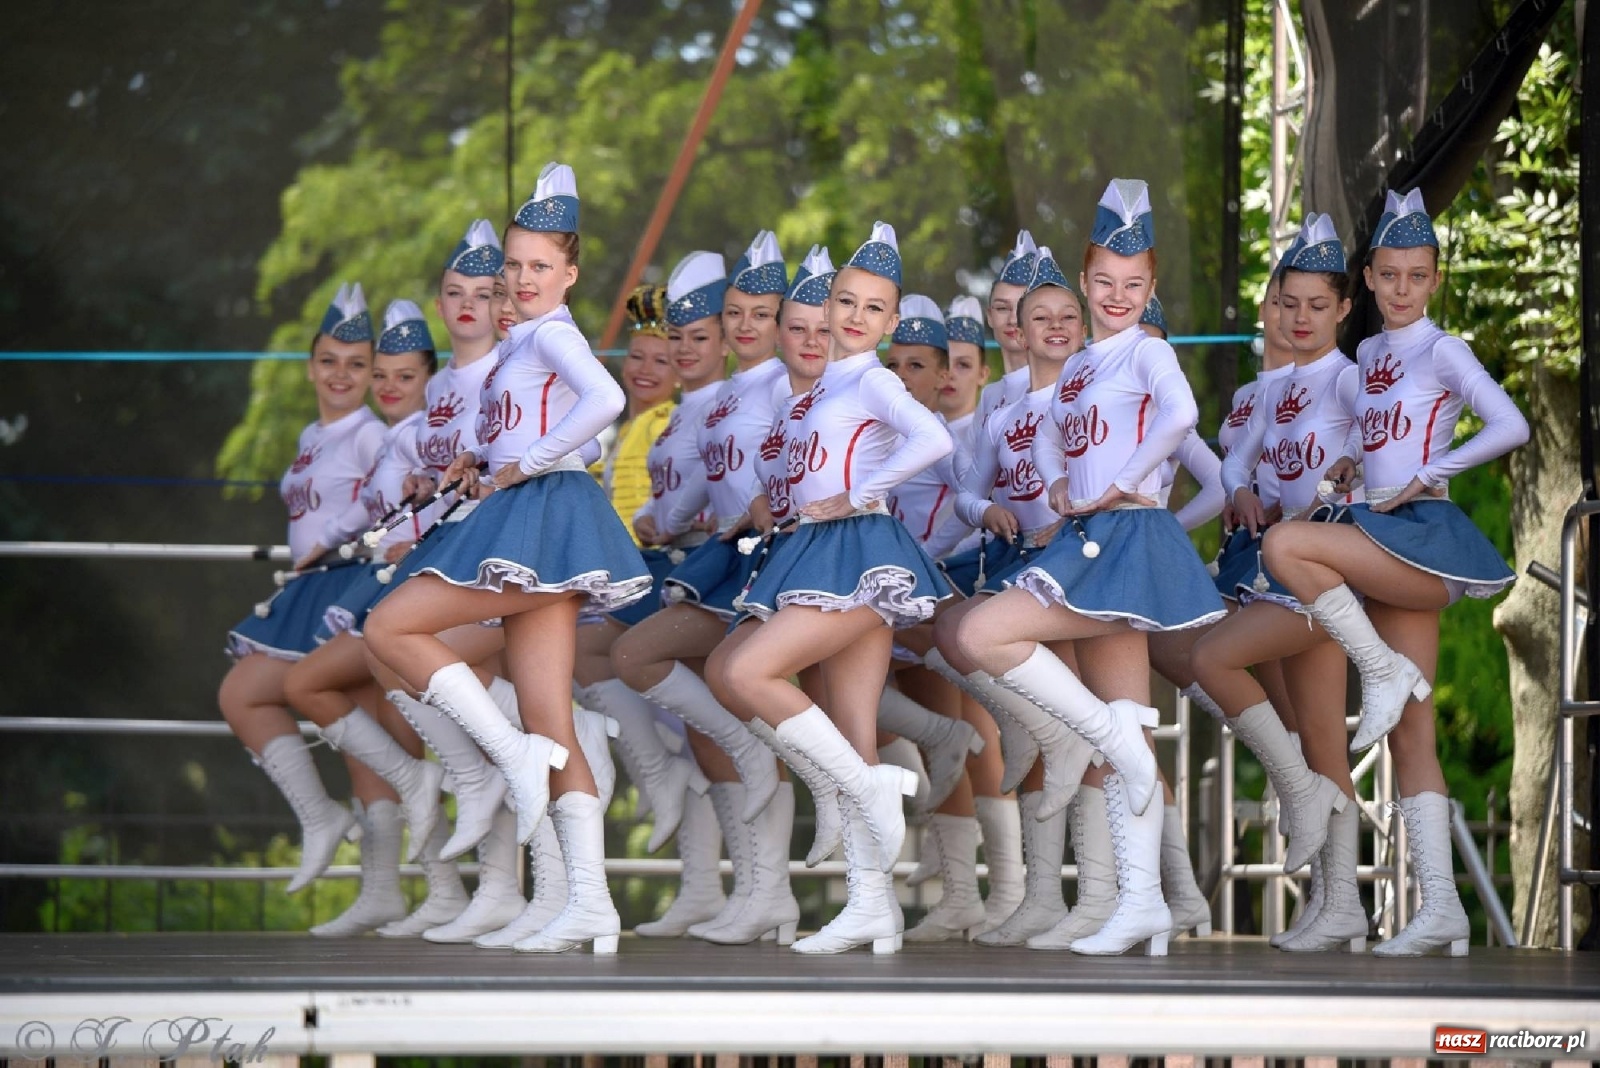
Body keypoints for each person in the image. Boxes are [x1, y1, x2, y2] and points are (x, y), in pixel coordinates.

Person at [364, 162, 651, 955]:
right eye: (513, 267)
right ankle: (583, 902)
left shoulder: (554, 332)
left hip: (543, 514)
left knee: (392, 628)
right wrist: (481, 463)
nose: (521, 280)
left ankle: (510, 761)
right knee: (549, 715)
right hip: (533, 515)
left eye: (538, 267)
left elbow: (606, 403)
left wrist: (527, 465)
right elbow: (534, 426)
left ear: (569, 274)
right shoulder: (523, 340)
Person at [956, 180, 1226, 957]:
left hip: (1128, 533)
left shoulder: (1149, 348)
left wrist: (1125, 481)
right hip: (1091, 534)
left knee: (984, 633)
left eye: (1133, 284)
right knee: (1129, 721)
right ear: (1084, 281)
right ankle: (1138, 899)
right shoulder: (1075, 370)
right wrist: (1057, 486)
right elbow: (1045, 439)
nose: (1117, 296)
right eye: (1104, 282)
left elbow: (1182, 418)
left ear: (1151, 287)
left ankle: (1114, 759)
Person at [1258, 190, 1529, 956]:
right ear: (1369, 281)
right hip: (1378, 525)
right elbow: (1379, 439)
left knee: (1287, 548)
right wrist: (1353, 463)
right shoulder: (1372, 354)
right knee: (1414, 734)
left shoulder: (1443, 349)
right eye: (1390, 275)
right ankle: (1440, 907)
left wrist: (1433, 470)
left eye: (1418, 275)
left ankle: (1377, 670)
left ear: (1434, 279)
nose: (1404, 288)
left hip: (1422, 533)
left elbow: (1513, 423)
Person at [710, 222, 953, 954]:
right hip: (818, 549)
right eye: (846, 302)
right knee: (850, 723)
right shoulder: (824, 387)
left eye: (873, 308)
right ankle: (872, 905)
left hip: (858, 548)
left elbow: (933, 440)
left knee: (742, 669)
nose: (853, 317)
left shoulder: (875, 378)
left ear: (893, 316)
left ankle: (869, 787)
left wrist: (859, 495)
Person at [610, 231, 803, 945]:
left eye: (757, 316)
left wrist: (773, 501)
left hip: (768, 559)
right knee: (714, 723)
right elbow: (700, 484)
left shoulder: (782, 384)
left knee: (645, 662)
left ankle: (768, 891)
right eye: (736, 316)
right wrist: (661, 518)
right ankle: (745, 892)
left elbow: (802, 457)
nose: (742, 328)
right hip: (718, 556)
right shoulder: (721, 402)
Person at [281, 299, 463, 938]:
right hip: (379, 592)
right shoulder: (394, 438)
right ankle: (417, 890)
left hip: (422, 602)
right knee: (395, 737)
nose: (387, 387)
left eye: (404, 377)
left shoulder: (436, 435)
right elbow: (371, 517)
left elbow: (452, 509)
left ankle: (445, 884)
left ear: (430, 380)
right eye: (379, 376)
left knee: (306, 685)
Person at [219, 283, 385, 895]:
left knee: (360, 730)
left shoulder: (371, 433)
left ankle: (383, 888)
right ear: (311, 366)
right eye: (328, 362)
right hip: (311, 585)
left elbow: (386, 498)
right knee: (252, 697)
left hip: (349, 580)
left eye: (356, 364)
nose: (340, 375)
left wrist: (337, 537)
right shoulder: (312, 437)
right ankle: (322, 820)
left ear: (371, 373)